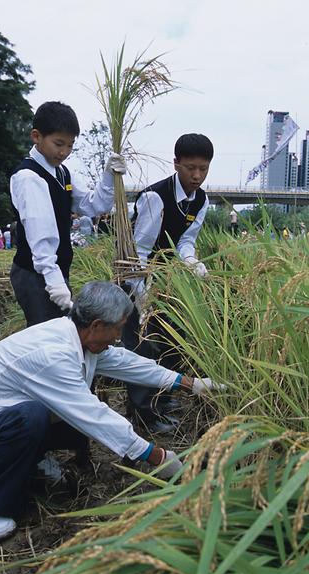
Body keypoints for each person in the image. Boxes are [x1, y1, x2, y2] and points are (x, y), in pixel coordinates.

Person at [0, 282, 223, 540]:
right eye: (119, 327)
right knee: (34, 416)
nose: (119, 336)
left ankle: (28, 463)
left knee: (46, 415)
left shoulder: (79, 337)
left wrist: (193, 384)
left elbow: (127, 363)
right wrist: (159, 457)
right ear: (97, 325)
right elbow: (92, 414)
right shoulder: (53, 356)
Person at [124, 134, 212, 433]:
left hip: (169, 280)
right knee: (143, 346)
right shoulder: (154, 198)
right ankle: (144, 416)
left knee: (175, 341)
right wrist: (143, 294)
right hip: (139, 278)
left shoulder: (201, 199)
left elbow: (185, 242)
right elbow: (139, 251)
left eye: (203, 168)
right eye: (190, 168)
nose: (197, 175)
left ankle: (164, 400)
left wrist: (193, 264)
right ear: (176, 164)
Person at [9, 101, 126, 326]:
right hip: (36, 274)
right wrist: (53, 281)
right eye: (58, 143)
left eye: (70, 145)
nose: (64, 152)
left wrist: (109, 175)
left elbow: (93, 206)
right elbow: (40, 235)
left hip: (55, 271)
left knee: (61, 336)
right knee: (47, 338)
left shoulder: (63, 173)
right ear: (36, 136)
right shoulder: (28, 177)